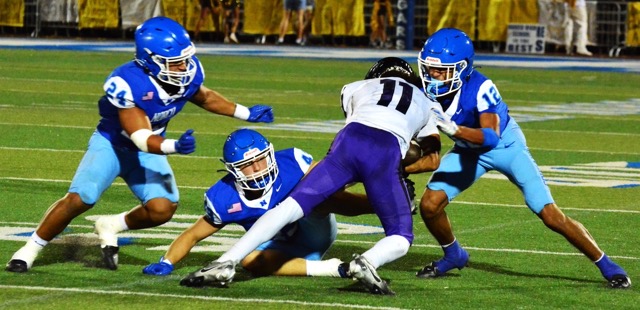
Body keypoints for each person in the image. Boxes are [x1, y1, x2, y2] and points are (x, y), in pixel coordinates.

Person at [5, 16, 274, 273]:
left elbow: (203, 97)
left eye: (185, 59)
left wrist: (245, 112)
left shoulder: (185, 73)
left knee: (162, 209)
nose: (184, 67)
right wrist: (173, 147)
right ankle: (29, 250)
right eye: (176, 62)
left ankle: (111, 224)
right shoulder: (126, 82)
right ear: (150, 60)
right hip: (114, 145)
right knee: (81, 198)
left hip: (148, 148)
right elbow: (140, 136)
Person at [179, 57, 442, 295]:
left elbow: (360, 124)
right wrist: (400, 169)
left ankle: (226, 261)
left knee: (291, 206)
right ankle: (368, 262)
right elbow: (430, 158)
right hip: (386, 150)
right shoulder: (426, 103)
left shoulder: (354, 87)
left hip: (348, 142)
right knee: (401, 236)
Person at [415, 28, 630, 289]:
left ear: (463, 68)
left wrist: (455, 130)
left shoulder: (482, 87)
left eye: (442, 70)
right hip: (467, 150)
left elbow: (491, 136)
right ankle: (454, 255)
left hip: (506, 146)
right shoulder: (424, 90)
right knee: (429, 204)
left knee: (550, 215)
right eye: (429, 68)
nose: (433, 75)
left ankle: (607, 265)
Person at [142, 128, 374, 278]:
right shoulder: (223, 197)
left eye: (261, 161)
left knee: (323, 195)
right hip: (279, 247)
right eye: (247, 165)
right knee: (249, 261)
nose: (257, 170)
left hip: (314, 230)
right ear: (232, 170)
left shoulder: (292, 162)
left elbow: (333, 180)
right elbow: (193, 234)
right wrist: (167, 262)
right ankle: (335, 268)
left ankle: (382, 204)